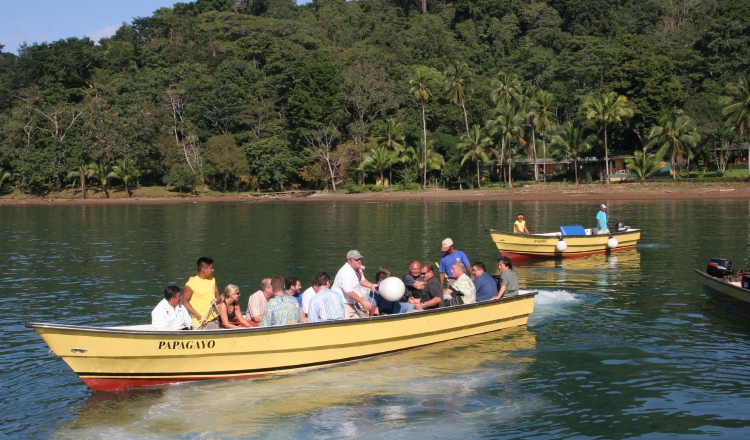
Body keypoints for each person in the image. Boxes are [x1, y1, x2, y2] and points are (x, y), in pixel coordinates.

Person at [331, 250, 378, 319]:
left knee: (358, 323)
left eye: (359, 259)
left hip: (351, 304)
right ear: (349, 261)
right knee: (344, 326)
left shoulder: (358, 269)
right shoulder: (345, 272)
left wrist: (371, 285)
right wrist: (363, 301)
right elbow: (348, 292)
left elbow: (362, 280)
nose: (359, 261)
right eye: (356, 259)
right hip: (341, 304)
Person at [183, 257, 221, 330]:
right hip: (200, 321)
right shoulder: (191, 284)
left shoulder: (212, 280)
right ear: (204, 269)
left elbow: (219, 297)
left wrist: (216, 300)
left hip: (214, 320)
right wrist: (198, 315)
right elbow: (185, 302)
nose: (213, 270)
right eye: (211, 268)